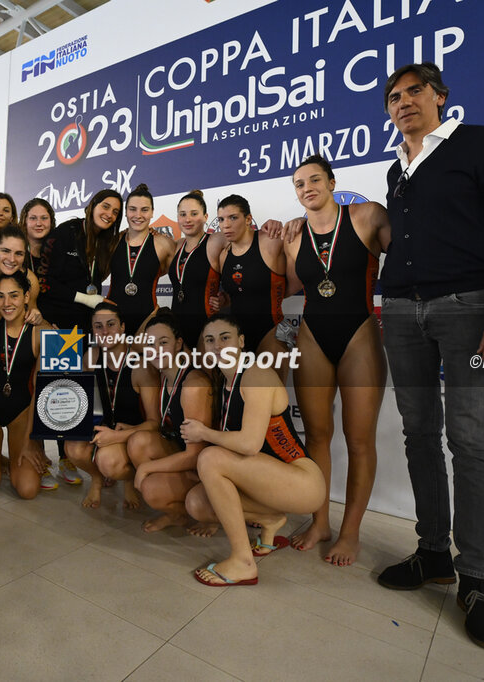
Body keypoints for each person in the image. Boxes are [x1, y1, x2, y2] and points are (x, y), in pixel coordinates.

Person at [375, 62, 484, 651]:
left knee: (469, 440)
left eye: (413, 91)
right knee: (419, 435)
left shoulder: (482, 143)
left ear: (440, 97)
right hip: (400, 312)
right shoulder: (395, 169)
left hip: (471, 308)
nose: (402, 103)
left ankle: (475, 579)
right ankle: (432, 554)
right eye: (393, 97)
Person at [269, 155, 391, 567]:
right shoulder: (293, 236)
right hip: (312, 335)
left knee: (359, 441)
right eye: (299, 183)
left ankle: (350, 532)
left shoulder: (367, 216)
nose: (307, 187)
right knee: (317, 437)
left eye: (315, 179)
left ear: (333, 181)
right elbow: (284, 283)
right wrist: (267, 232)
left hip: (359, 334)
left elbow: (411, 255)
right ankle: (319, 521)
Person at [182, 315, 325, 586]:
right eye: (209, 340)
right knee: (197, 502)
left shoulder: (256, 374)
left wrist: (203, 432)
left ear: (241, 342)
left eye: (225, 337)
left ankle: (243, 562)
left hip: (303, 482)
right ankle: (270, 520)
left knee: (210, 458)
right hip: (269, 479)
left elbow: (249, 444)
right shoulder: (223, 382)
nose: (217, 346)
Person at [126, 311, 214, 533]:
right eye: (150, 344)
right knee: (139, 441)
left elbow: (197, 455)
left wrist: (146, 468)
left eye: (163, 342)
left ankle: (213, 513)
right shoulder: (164, 375)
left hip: (209, 468)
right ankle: (177, 515)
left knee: (152, 489)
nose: (155, 350)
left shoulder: (193, 384)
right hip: (184, 454)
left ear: (178, 344)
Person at [0, 273, 53, 499]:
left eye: (14, 296)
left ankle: (12, 455)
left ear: (27, 297)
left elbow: (46, 391)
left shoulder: (44, 331)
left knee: (27, 490)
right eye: (0, 297)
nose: (6, 304)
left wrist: (32, 441)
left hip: (23, 408)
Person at [64, 302, 155, 508]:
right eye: (98, 327)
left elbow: (154, 423)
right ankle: (96, 480)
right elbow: (85, 402)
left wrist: (117, 436)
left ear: (122, 327)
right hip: (103, 426)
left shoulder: (141, 365)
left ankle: (128, 480)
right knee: (73, 448)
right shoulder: (91, 357)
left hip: (133, 434)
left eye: (111, 324)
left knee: (109, 462)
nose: (105, 332)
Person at [36, 189, 122, 332]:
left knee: (88, 355)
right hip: (58, 322)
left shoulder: (106, 242)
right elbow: (44, 282)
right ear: (93, 205)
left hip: (88, 322)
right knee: (64, 355)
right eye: (105, 206)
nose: (109, 214)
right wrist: (87, 299)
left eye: (115, 212)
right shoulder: (64, 232)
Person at [216, 194, 287, 355]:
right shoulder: (223, 256)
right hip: (236, 336)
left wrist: (300, 220)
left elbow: (297, 280)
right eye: (221, 219)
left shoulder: (270, 242)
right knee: (239, 381)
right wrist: (222, 300)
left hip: (270, 333)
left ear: (248, 219)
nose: (226, 225)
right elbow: (235, 295)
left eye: (233, 218)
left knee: (270, 381)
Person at [107, 184, 175, 334]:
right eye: (132, 209)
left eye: (144, 210)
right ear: (125, 212)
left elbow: (180, 277)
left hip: (147, 322)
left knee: (141, 358)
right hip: (112, 321)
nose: (138, 215)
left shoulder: (164, 244)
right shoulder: (112, 242)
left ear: (152, 212)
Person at [169, 190, 222, 347]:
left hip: (205, 327)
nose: (187, 219)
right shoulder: (176, 245)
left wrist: (225, 298)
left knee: (202, 372)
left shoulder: (215, 241)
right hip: (176, 327)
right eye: (183, 214)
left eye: (194, 214)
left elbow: (244, 240)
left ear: (206, 217)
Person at [20, 197, 55, 274]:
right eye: (33, 218)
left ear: (51, 221)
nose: (39, 223)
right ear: (24, 221)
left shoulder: (59, 251)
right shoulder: (16, 252)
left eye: (44, 218)